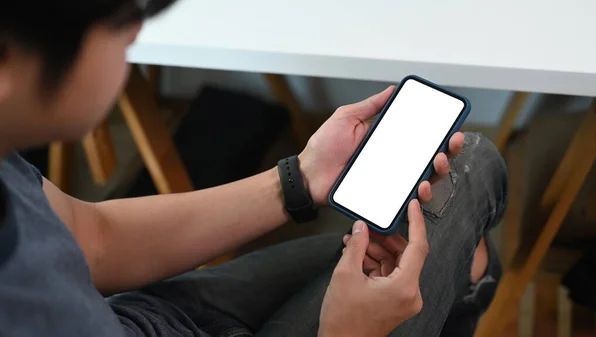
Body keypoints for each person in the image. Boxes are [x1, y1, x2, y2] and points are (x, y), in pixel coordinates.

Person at [0, 1, 507, 336]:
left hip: (140, 319)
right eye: (117, 16)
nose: (135, 28)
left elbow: (91, 237)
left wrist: (301, 178)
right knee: (470, 189)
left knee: (456, 214)